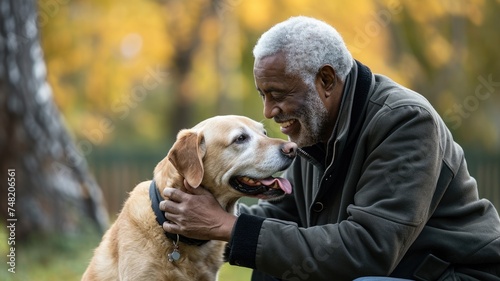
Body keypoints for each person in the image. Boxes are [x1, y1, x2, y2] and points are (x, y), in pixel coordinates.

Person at [159, 16, 500, 280]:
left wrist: (226, 227)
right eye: (263, 95)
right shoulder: (316, 126)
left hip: (453, 274)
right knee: (270, 262)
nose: (268, 112)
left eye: (278, 93)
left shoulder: (406, 122)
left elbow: (369, 249)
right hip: (396, 272)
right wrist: (195, 216)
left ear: (325, 80)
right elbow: (284, 217)